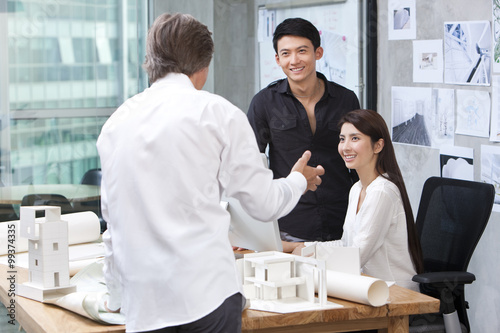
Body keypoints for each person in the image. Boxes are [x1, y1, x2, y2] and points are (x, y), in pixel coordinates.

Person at [96, 13, 325, 333]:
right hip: (207, 300)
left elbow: (113, 226)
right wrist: (299, 179)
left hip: (144, 307)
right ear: (203, 66)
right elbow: (264, 205)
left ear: (151, 61)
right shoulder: (218, 114)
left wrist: (117, 295)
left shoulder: (115, 124)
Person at [247, 17, 360, 243]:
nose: (294, 60)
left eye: (302, 51)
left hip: (343, 222)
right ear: (278, 60)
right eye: (286, 53)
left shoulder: (346, 99)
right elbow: (250, 165)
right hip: (290, 225)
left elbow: (361, 163)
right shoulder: (264, 103)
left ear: (318, 52)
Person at [284, 109, 423, 291]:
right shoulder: (357, 189)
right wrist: (297, 246)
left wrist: (305, 251)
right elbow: (347, 244)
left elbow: (356, 255)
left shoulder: (381, 192)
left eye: (355, 138)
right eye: (342, 139)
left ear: (378, 146)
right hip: (368, 286)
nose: (345, 147)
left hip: (395, 293)